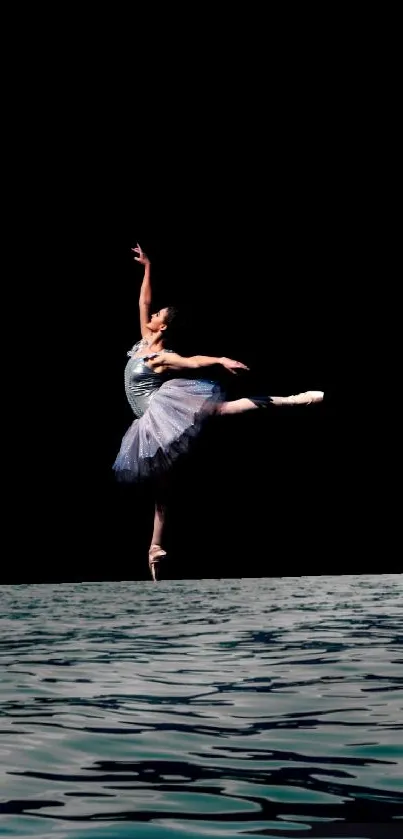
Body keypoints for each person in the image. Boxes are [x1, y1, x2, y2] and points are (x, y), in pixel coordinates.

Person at [113, 244, 323, 580]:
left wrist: (220, 360)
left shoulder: (162, 356)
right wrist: (148, 267)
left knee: (222, 410)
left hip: (161, 411)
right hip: (148, 421)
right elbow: (143, 302)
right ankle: (155, 548)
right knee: (162, 487)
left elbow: (192, 362)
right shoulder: (142, 340)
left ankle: (294, 400)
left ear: (163, 328)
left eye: (157, 317)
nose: (151, 317)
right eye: (154, 315)